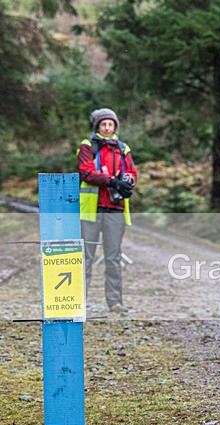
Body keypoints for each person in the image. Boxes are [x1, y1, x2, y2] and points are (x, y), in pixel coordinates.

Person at [77, 108, 138, 313]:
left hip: (115, 209)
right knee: (85, 257)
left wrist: (128, 182)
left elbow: (131, 171)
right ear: (97, 126)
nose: (107, 128)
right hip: (90, 211)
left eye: (111, 124)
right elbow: (87, 173)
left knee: (113, 257)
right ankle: (79, 301)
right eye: (103, 124)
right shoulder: (87, 146)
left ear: (115, 127)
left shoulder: (123, 148)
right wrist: (112, 181)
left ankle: (115, 302)